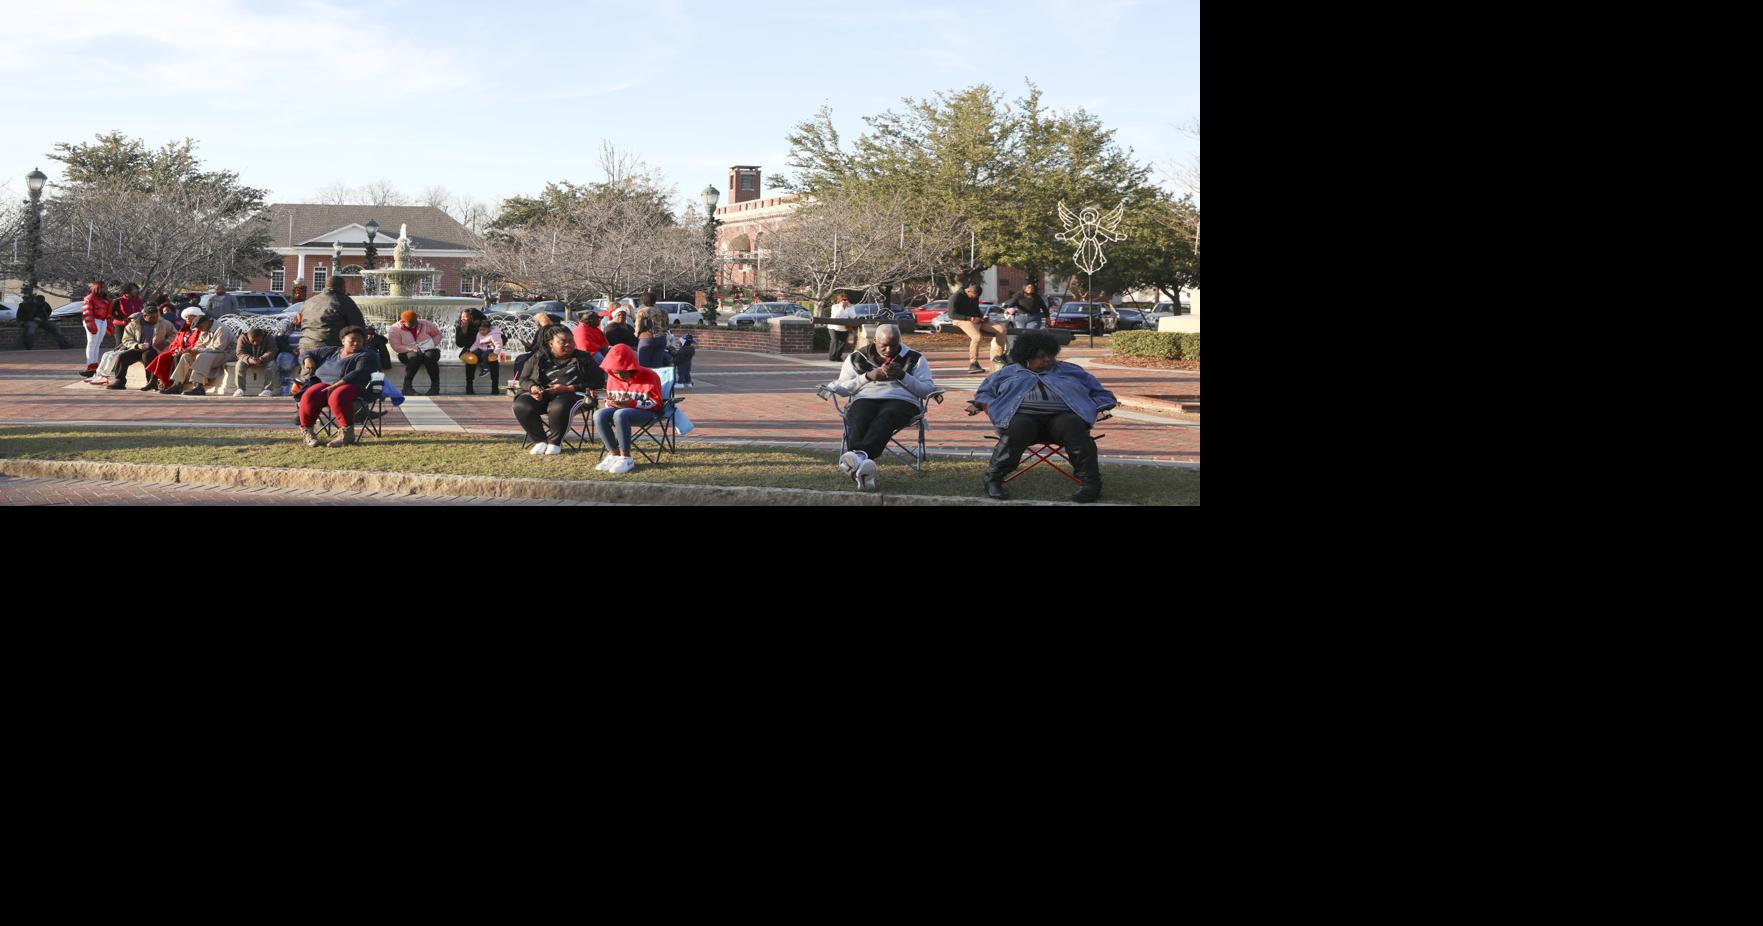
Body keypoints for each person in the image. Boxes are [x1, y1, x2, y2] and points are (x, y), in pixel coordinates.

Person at [966, 329, 1117, 503]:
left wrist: (1097, 407)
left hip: (1061, 422)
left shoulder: (1072, 371)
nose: (1048, 360)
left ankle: (1091, 484)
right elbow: (984, 393)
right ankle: (993, 478)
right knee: (1019, 426)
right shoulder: (1006, 373)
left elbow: (1102, 394)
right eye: (1041, 356)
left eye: (1051, 355)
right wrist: (986, 405)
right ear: (1026, 357)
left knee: (1073, 425)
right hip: (1023, 421)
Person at [825, 324, 936, 491]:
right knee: (859, 416)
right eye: (884, 345)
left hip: (902, 401)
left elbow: (927, 389)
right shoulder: (857, 358)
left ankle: (857, 458)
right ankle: (862, 468)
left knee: (886, 416)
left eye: (894, 344)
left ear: (900, 340)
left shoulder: (915, 358)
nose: (889, 349)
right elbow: (841, 388)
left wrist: (903, 375)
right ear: (874, 340)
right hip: (865, 397)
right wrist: (867, 377)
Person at [513, 325, 607, 456]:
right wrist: (533, 388)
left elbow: (599, 381)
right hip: (543, 396)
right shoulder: (538, 357)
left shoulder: (583, 357)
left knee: (558, 405)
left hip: (573, 395)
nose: (568, 344)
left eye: (571, 340)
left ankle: (555, 442)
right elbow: (523, 379)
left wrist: (569, 388)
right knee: (521, 404)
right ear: (551, 343)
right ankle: (540, 441)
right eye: (563, 341)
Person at [297, 326, 380, 448]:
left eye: (360, 341)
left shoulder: (367, 355)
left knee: (338, 395)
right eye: (352, 340)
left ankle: (346, 435)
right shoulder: (331, 351)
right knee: (310, 394)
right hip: (326, 384)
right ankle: (308, 433)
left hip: (355, 386)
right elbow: (306, 353)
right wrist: (307, 359)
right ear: (343, 341)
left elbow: (359, 373)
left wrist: (337, 385)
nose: (356, 343)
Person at [592, 344, 664, 474]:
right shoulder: (612, 377)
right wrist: (611, 403)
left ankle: (626, 457)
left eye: (623, 371)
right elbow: (610, 400)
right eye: (615, 371)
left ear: (631, 367)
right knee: (599, 414)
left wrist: (631, 403)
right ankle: (614, 454)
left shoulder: (650, 376)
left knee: (621, 414)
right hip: (622, 410)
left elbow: (657, 403)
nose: (619, 375)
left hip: (649, 413)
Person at [157, 311, 231, 396]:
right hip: (210, 353)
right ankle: (177, 384)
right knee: (186, 356)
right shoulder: (205, 329)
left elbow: (219, 348)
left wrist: (197, 351)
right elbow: (199, 345)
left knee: (202, 356)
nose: (199, 329)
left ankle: (199, 386)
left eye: (199, 326)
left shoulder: (221, 329)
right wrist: (190, 350)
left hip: (225, 354)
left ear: (206, 322)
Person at [109, 302, 176, 391]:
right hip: (137, 348)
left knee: (147, 356)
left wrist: (166, 342)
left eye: (156, 316)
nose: (155, 319)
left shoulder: (165, 323)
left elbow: (174, 334)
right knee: (122, 357)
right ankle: (119, 381)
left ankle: (151, 382)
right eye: (152, 317)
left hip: (156, 348)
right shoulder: (133, 324)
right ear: (144, 316)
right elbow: (126, 339)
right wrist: (136, 345)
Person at [297, 276, 368, 356]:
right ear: (342, 287)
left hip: (305, 348)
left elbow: (298, 323)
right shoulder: (343, 301)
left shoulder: (308, 302)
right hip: (331, 349)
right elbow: (358, 327)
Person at [950, 282, 1007, 375]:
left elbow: (976, 309)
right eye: (973, 296)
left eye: (976, 297)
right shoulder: (955, 297)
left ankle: (1000, 356)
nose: (975, 298)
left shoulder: (975, 296)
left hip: (976, 319)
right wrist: (970, 318)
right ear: (969, 291)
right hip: (960, 320)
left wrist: (982, 317)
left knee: (1001, 329)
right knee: (977, 337)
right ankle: (973, 363)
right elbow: (952, 314)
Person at [387, 310, 444, 396]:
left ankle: (435, 387)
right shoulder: (394, 329)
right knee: (414, 358)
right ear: (403, 322)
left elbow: (438, 335)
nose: (414, 325)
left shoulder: (425, 323)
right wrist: (410, 348)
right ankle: (407, 387)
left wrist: (431, 344)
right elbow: (396, 346)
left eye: (415, 321)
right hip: (406, 352)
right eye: (411, 323)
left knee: (430, 356)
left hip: (428, 349)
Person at [506, 311, 559, 395]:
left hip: (541, 354)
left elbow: (535, 348)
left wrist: (527, 345)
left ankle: (518, 381)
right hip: (547, 353)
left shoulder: (542, 331)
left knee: (521, 359)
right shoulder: (556, 330)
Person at [454, 308, 502, 394]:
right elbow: (459, 344)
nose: (462, 319)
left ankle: (495, 387)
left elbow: (502, 338)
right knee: (472, 359)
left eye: (465, 317)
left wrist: (492, 343)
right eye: (462, 317)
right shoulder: (460, 327)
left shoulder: (484, 327)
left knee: (493, 358)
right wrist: (464, 332)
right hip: (469, 351)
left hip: (485, 351)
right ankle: (469, 387)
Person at [231, 326, 282, 397]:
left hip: (264, 359)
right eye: (253, 341)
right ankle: (240, 389)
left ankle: (268, 389)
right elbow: (240, 353)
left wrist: (262, 358)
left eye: (258, 340)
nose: (255, 343)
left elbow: (272, 351)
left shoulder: (269, 338)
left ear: (262, 337)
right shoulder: (242, 338)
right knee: (239, 364)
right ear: (248, 337)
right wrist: (249, 359)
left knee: (271, 364)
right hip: (248, 359)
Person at [79, 280, 115, 379]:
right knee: (92, 343)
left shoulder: (106, 300)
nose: (105, 289)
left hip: (102, 321)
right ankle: (91, 364)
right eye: (103, 287)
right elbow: (87, 312)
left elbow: (108, 314)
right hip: (94, 320)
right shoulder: (90, 298)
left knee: (97, 343)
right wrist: (91, 324)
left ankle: (94, 364)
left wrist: (109, 324)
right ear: (97, 288)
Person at [635, 303, 672, 369]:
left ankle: (645, 379)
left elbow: (638, 326)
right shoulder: (663, 311)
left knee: (643, 365)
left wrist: (637, 334)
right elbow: (667, 326)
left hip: (646, 338)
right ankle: (655, 378)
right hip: (661, 338)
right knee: (657, 365)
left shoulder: (643, 311)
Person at [827, 293, 855, 362]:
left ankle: (838, 356)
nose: (845, 301)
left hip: (844, 327)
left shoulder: (851, 307)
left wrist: (849, 308)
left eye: (846, 299)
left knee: (842, 342)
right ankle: (832, 357)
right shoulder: (835, 306)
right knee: (834, 341)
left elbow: (853, 316)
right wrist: (841, 307)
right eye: (843, 299)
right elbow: (835, 316)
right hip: (833, 327)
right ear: (840, 300)